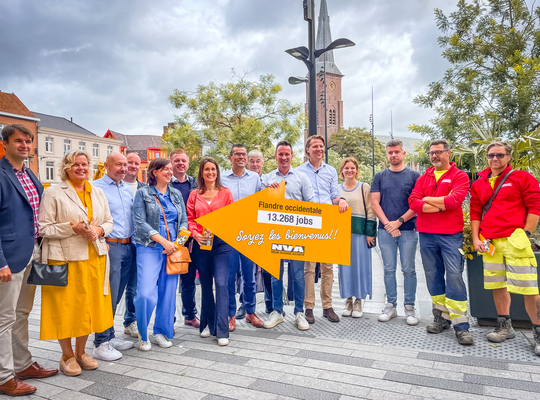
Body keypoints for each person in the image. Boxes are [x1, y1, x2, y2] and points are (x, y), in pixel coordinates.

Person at [39, 150, 114, 376]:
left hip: (94, 257)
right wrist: (71, 228)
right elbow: (43, 228)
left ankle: (81, 352)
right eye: (75, 165)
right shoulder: (53, 193)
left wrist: (100, 229)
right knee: (66, 307)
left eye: (84, 164)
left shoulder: (98, 192)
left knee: (88, 306)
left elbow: (109, 222)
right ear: (66, 168)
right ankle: (67, 355)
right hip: (64, 258)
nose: (81, 168)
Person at [0, 124, 57, 396]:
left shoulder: (30, 174)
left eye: (28, 141)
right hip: (9, 259)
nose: (24, 145)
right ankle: (3, 377)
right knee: (4, 318)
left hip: (34, 252)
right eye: (18, 141)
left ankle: (22, 364)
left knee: (22, 313)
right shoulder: (1, 174)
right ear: (5, 144)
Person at [470, 141, 540, 354]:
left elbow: (534, 206)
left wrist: (526, 233)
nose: (495, 159)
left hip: (514, 240)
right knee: (497, 285)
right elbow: (475, 212)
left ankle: (538, 332)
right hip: (490, 242)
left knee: (529, 288)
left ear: (509, 157)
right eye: (491, 155)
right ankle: (505, 326)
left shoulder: (521, 177)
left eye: (500, 155)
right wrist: (475, 238)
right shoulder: (479, 183)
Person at [409, 139, 473, 345]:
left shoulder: (459, 176)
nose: (435, 156)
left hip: (450, 234)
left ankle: (461, 326)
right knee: (433, 275)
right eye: (432, 153)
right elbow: (413, 202)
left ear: (448, 153)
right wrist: (440, 205)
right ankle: (441, 317)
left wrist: (427, 200)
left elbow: (455, 201)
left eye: (439, 152)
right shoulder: (423, 177)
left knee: (454, 276)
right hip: (426, 234)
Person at [132, 157, 188, 351]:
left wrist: (176, 244)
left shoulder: (176, 194)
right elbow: (140, 222)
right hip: (149, 247)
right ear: (154, 172)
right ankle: (142, 332)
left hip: (172, 250)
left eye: (171, 169)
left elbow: (184, 222)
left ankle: (160, 332)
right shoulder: (142, 193)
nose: (170, 172)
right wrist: (163, 241)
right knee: (146, 293)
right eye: (165, 169)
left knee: (168, 294)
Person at [262, 141, 315, 331]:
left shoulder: (302, 178)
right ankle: (277, 311)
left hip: (296, 235)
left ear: (292, 156)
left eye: (287, 154)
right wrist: (268, 192)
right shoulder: (267, 179)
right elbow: (258, 205)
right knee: (276, 275)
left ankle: (299, 312)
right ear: (275, 156)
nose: (284, 157)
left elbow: (313, 204)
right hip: (274, 234)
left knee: (298, 275)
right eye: (280, 154)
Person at [296, 135, 348, 324]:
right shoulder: (298, 172)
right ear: (307, 150)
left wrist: (341, 200)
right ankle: (309, 307)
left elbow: (334, 194)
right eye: (315, 146)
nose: (319, 149)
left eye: (321, 146)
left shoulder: (331, 171)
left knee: (328, 268)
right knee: (309, 268)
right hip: (309, 221)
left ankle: (327, 306)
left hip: (327, 221)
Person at [371, 140, 420, 325]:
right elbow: (375, 203)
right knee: (389, 269)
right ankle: (390, 305)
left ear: (403, 153)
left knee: (409, 269)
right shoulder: (380, 176)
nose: (393, 155)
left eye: (397, 152)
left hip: (408, 230)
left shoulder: (414, 176)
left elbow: (417, 204)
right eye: (390, 152)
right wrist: (388, 225)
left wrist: (398, 222)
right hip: (385, 232)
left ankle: (409, 307)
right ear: (387, 154)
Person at [92, 153, 135, 361]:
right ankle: (101, 342)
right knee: (108, 294)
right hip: (110, 246)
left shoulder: (126, 190)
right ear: (107, 165)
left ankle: (110, 335)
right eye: (118, 164)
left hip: (129, 246)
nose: (123, 168)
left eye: (125, 165)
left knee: (118, 294)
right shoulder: (96, 187)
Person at [187, 157, 234, 346]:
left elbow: (231, 217)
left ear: (217, 172)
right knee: (205, 285)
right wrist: (195, 235)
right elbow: (190, 219)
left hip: (222, 246)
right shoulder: (194, 195)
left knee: (221, 284)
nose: (210, 172)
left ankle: (221, 330)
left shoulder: (226, 193)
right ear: (201, 172)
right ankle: (206, 324)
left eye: (213, 169)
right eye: (207, 169)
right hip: (201, 245)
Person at [221, 144, 263, 331]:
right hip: (228, 233)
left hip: (248, 234)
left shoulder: (255, 178)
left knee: (249, 276)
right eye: (237, 154)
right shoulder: (221, 178)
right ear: (230, 158)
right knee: (230, 277)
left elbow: (261, 203)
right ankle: (230, 315)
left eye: (243, 154)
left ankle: (250, 312)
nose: (241, 157)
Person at [337, 157, 376, 318]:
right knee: (344, 268)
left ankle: (359, 300)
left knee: (360, 267)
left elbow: (371, 209)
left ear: (356, 170)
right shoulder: (337, 189)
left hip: (360, 233)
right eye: (346, 168)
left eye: (352, 168)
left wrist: (370, 233)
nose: (349, 170)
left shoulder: (364, 187)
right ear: (341, 171)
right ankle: (348, 300)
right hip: (342, 234)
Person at [169, 149, 200, 329]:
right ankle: (169, 317)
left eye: (183, 160)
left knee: (188, 281)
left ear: (188, 163)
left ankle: (189, 315)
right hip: (171, 239)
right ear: (171, 163)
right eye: (176, 160)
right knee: (170, 280)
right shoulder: (166, 183)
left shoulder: (196, 184)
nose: (180, 163)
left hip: (193, 239)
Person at [122, 151, 145, 338]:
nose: (133, 166)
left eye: (137, 163)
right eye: (130, 162)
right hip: (118, 243)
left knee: (134, 286)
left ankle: (131, 321)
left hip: (139, 243)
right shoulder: (114, 186)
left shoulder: (144, 188)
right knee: (115, 286)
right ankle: (105, 327)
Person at [248, 149, 273, 314]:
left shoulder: (270, 180)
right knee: (247, 270)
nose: (255, 164)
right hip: (249, 229)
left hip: (266, 229)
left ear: (262, 163)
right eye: (252, 161)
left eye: (258, 161)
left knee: (268, 270)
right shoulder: (245, 181)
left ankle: (271, 304)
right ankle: (247, 305)